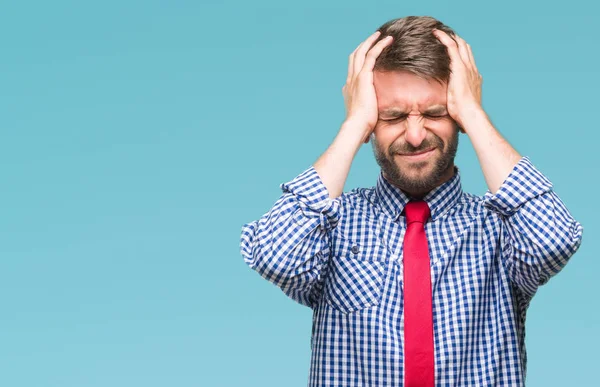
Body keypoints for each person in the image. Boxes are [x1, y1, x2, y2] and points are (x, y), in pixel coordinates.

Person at [239, 15, 583, 387]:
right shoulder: (333, 224)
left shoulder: (499, 229)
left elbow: (554, 241)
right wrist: (354, 124)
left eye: (435, 113)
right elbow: (276, 257)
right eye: (393, 116)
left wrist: (474, 113)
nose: (416, 136)